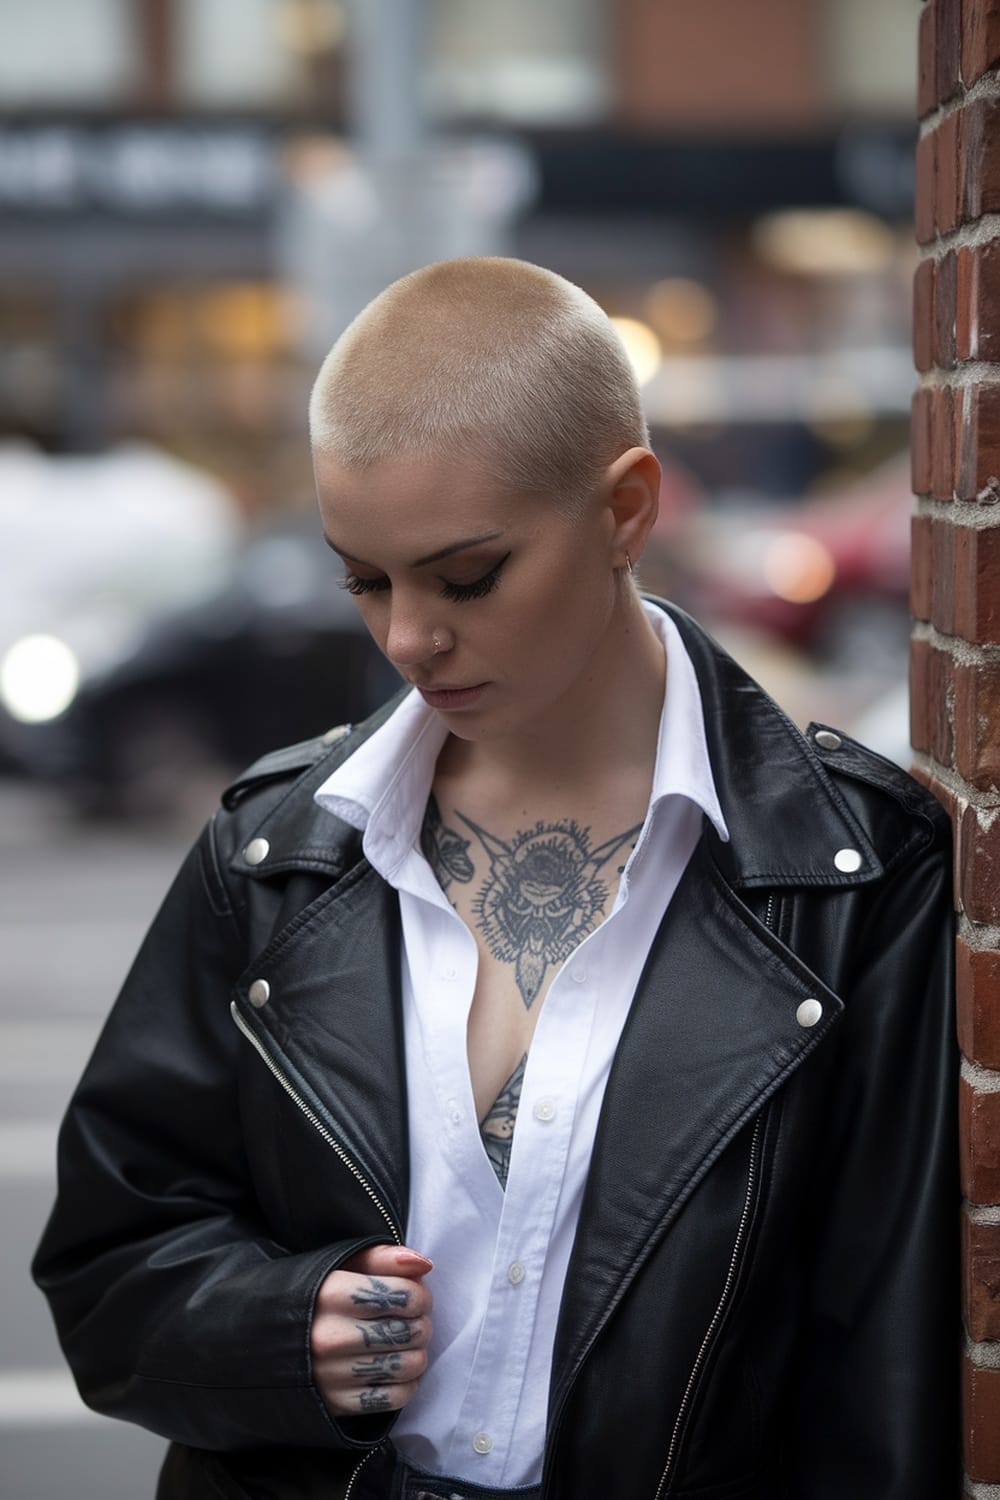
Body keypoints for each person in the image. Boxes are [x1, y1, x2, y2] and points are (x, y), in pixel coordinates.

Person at [33, 257, 958, 1500]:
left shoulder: (853, 877)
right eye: (365, 580)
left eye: (466, 576)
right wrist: (281, 1328)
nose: (409, 637)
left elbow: (880, 1381)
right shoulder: (279, 852)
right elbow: (112, 1263)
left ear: (626, 509)